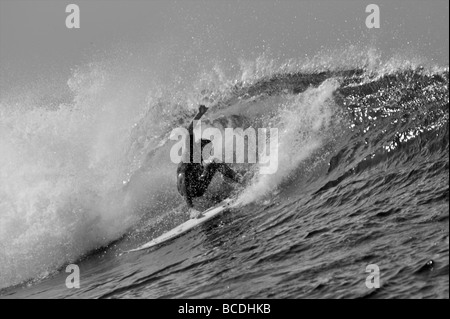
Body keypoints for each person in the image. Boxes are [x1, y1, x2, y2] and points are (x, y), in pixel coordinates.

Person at [176, 105, 242, 218]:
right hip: (186, 190)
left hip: (198, 187)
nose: (207, 154)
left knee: (214, 163)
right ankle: (191, 209)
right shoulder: (189, 153)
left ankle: (240, 179)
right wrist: (200, 113)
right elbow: (189, 130)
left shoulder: (200, 158)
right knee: (185, 173)